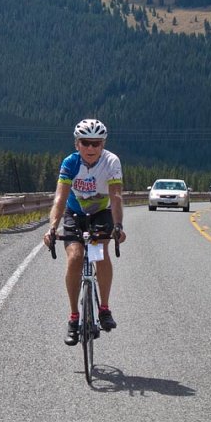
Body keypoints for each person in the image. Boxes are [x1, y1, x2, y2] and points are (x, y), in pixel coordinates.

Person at [43, 118, 126, 346]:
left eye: (96, 143)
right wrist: (52, 227)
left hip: (101, 213)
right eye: (86, 142)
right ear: (77, 144)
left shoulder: (111, 162)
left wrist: (118, 225)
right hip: (74, 213)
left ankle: (105, 309)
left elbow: (116, 196)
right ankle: (73, 318)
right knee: (75, 257)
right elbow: (60, 197)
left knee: (100, 253)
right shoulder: (70, 163)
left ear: (103, 144)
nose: (91, 148)